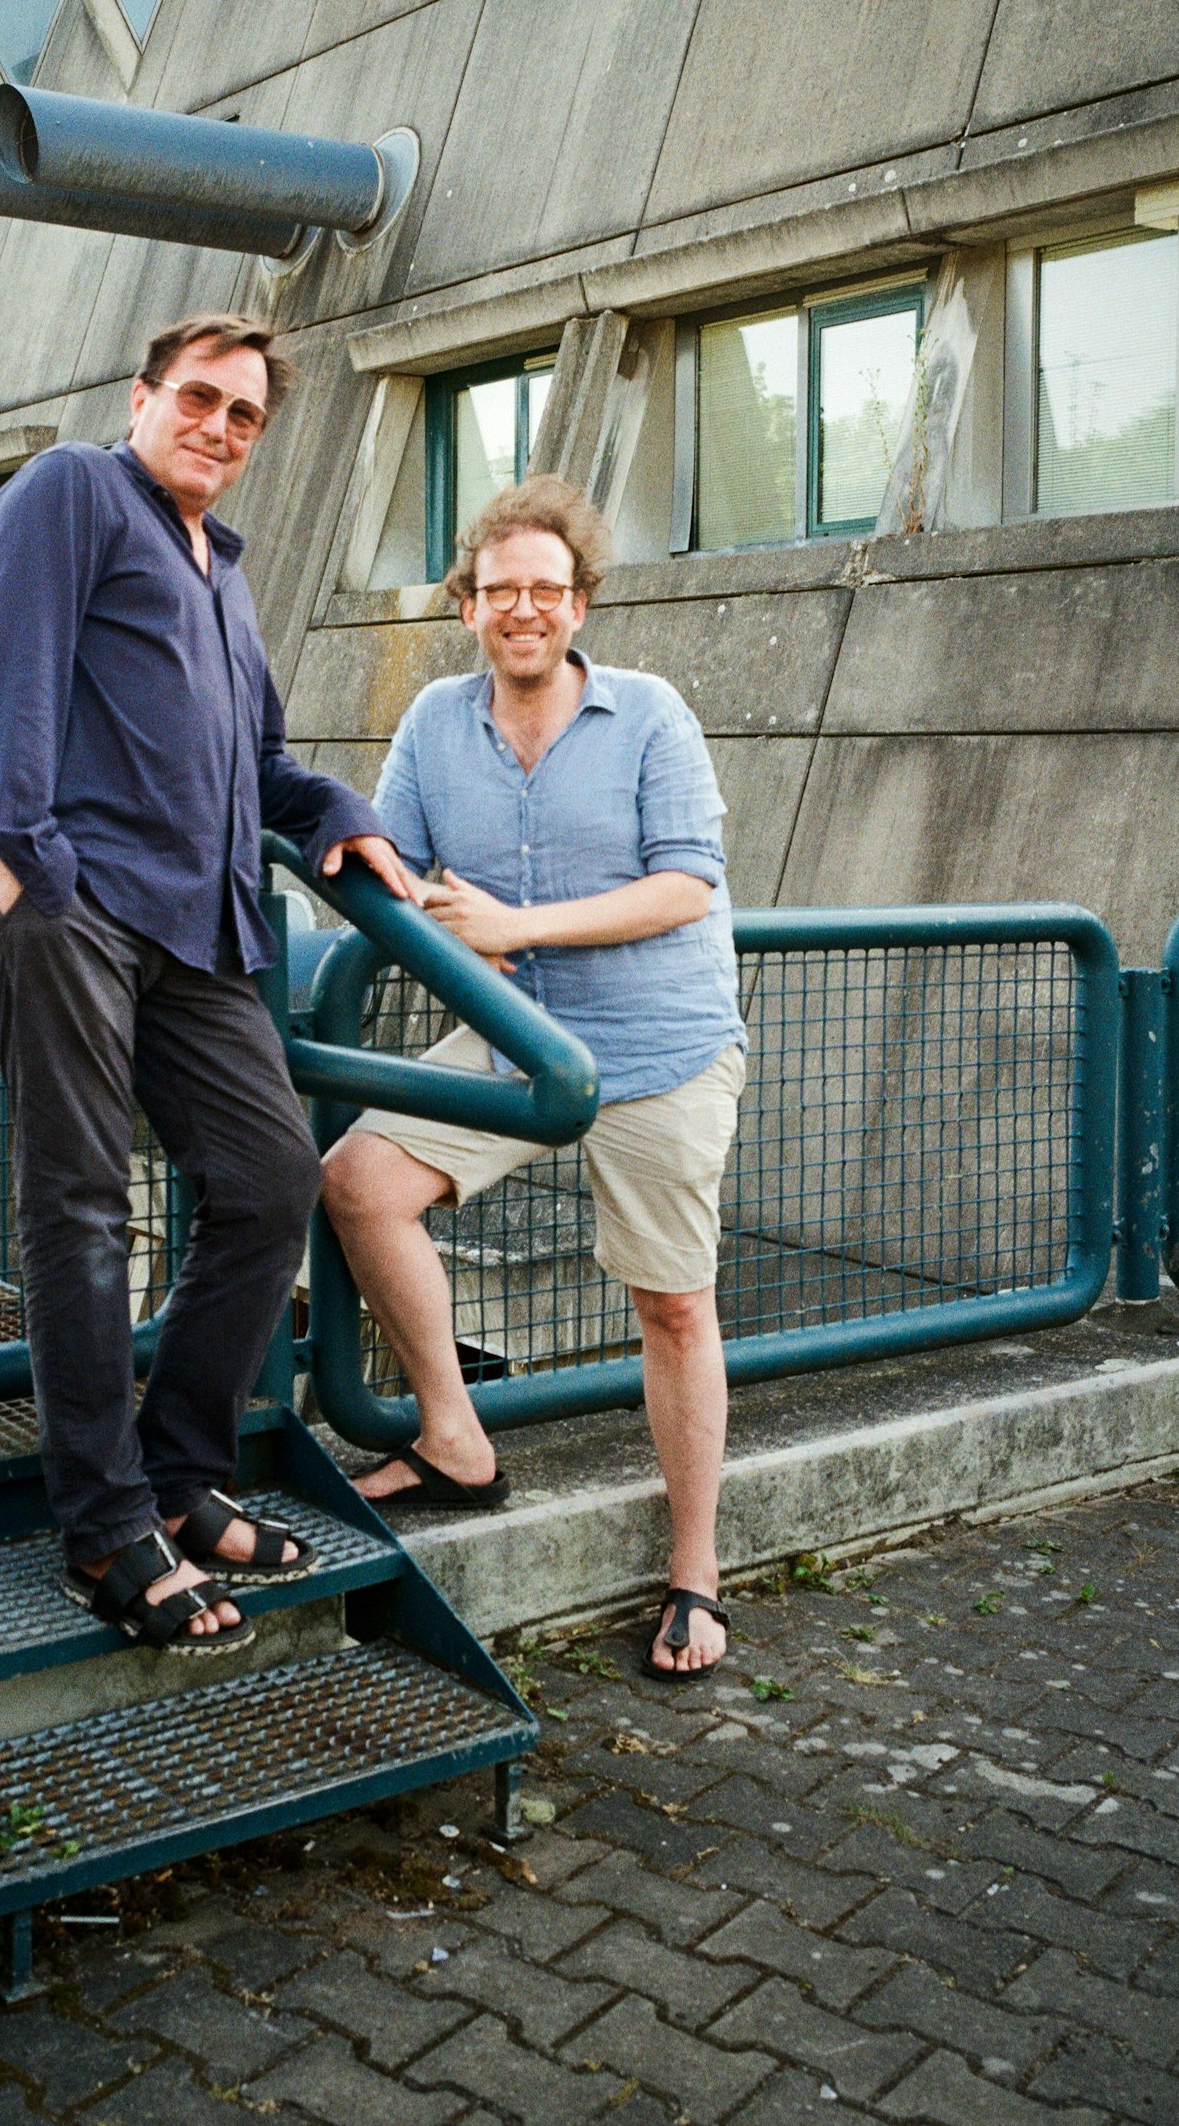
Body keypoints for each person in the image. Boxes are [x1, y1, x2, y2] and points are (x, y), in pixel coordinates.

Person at [0, 312, 416, 1657]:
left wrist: (338, 812)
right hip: (66, 895)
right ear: (143, 397)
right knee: (82, 1201)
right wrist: (23, 853)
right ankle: (103, 1522)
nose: (218, 424)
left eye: (244, 414)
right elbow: (13, 668)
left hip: (195, 928)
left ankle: (182, 1473)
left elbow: (259, 763)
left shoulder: (224, 575)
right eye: (198, 397)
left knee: (270, 1177)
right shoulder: (75, 487)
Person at [319, 475, 748, 1680]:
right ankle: (454, 1438)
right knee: (355, 1179)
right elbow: (384, 861)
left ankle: (694, 1570)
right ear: (465, 603)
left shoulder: (649, 713)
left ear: (578, 602)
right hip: (511, 1038)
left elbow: (684, 886)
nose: (523, 608)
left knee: (669, 1304)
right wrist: (409, 896)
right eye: (499, 588)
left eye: (545, 590)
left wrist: (519, 923)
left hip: (655, 1043)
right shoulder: (432, 722)